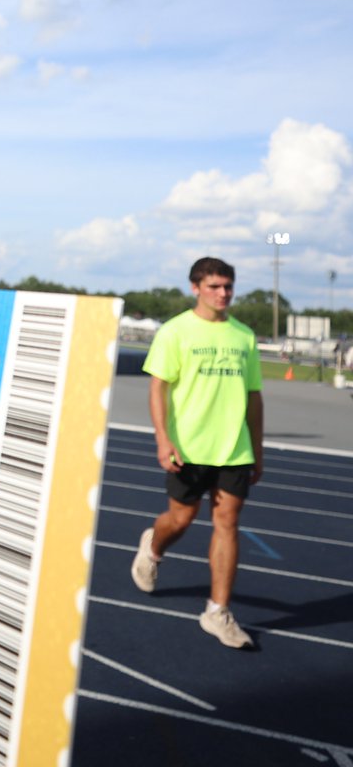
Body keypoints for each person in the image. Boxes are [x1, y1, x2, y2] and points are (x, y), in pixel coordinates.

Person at [130, 256, 264, 648]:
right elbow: (157, 387)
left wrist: (257, 448)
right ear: (195, 288)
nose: (223, 294)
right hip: (188, 446)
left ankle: (217, 611)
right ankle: (153, 546)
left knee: (228, 523)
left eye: (228, 286)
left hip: (234, 449)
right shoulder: (175, 331)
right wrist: (163, 439)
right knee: (180, 520)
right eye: (214, 286)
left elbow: (254, 397)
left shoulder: (244, 336)